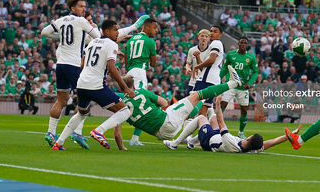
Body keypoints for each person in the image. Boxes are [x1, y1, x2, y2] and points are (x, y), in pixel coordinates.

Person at [41, 0, 148, 149]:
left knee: (63, 101)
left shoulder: (60, 21)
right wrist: (120, 40)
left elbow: (44, 32)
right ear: (73, 7)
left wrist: (62, 36)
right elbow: (100, 37)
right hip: (77, 68)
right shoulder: (83, 23)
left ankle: (52, 134)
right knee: (119, 109)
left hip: (61, 65)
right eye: (81, 6)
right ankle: (84, 132)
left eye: (85, 7)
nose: (84, 10)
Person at [52, 20, 135, 150]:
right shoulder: (112, 44)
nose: (117, 32)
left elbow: (82, 64)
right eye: (115, 29)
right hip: (95, 85)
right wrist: (125, 88)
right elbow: (111, 67)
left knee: (81, 113)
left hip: (81, 83)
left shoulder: (92, 42)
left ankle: (59, 143)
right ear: (106, 31)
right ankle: (99, 131)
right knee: (124, 111)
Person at [114, 65, 242, 150]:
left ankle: (186, 141)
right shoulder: (141, 91)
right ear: (133, 86)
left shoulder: (120, 105)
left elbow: (117, 135)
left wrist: (122, 148)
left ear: (120, 88)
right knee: (197, 95)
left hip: (162, 133)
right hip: (166, 122)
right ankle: (233, 83)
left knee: (192, 108)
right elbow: (164, 102)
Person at [164, 95, 300, 153]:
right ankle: (192, 142)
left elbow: (222, 120)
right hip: (217, 136)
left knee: (201, 118)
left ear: (248, 138)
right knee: (212, 119)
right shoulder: (253, 149)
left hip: (209, 141)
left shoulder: (231, 142)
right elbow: (271, 142)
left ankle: (175, 143)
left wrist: (217, 103)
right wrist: (288, 136)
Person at [125, 18, 158, 146]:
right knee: (142, 103)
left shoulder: (131, 40)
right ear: (147, 26)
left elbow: (127, 61)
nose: (156, 31)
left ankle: (133, 137)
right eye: (154, 28)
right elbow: (154, 63)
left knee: (130, 101)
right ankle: (134, 139)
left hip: (130, 72)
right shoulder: (150, 41)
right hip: (139, 72)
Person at [220, 36, 258, 139]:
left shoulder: (251, 57)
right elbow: (224, 67)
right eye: (241, 42)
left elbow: (255, 72)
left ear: (247, 45)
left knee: (244, 110)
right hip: (230, 84)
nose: (243, 44)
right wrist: (219, 78)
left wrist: (250, 83)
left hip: (243, 87)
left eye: (245, 43)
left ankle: (241, 132)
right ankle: (217, 128)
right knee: (222, 105)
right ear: (238, 43)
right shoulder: (231, 55)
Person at [193, 25, 224, 116]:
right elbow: (205, 66)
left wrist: (196, 67)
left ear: (220, 34)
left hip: (206, 79)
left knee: (192, 104)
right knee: (204, 109)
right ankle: (206, 129)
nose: (211, 33)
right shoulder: (214, 45)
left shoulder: (216, 43)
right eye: (211, 31)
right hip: (212, 79)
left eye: (215, 31)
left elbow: (211, 60)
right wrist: (198, 58)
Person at [185, 29, 210, 96]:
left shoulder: (210, 52)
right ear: (198, 37)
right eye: (202, 36)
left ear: (209, 39)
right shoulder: (192, 50)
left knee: (201, 103)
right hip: (193, 80)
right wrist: (188, 68)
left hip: (205, 80)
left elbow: (203, 68)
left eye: (206, 36)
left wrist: (197, 57)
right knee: (188, 101)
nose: (204, 38)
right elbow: (188, 63)